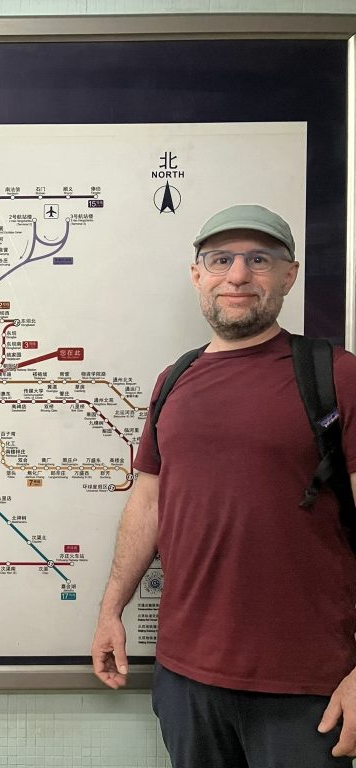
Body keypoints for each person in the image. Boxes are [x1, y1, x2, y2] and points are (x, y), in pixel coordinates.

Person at [90, 204, 356, 767]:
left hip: (307, 686)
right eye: (221, 259)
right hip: (187, 681)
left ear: (289, 275)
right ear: (198, 274)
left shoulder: (336, 375)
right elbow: (149, 501)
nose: (237, 275)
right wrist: (112, 608)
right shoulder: (175, 379)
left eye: (259, 260)